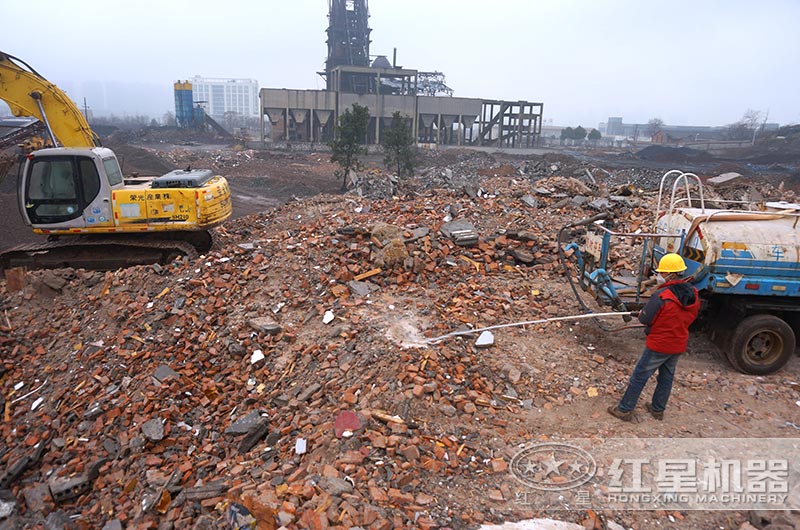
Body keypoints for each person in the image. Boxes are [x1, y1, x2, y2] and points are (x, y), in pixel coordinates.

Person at [608, 253, 701, 421]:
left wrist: (643, 313)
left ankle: (624, 409)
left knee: (640, 376)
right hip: (678, 343)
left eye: (662, 273)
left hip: (659, 345)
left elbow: (645, 319)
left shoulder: (662, 296)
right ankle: (658, 409)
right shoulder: (693, 293)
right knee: (666, 376)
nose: (659, 276)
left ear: (670, 274)